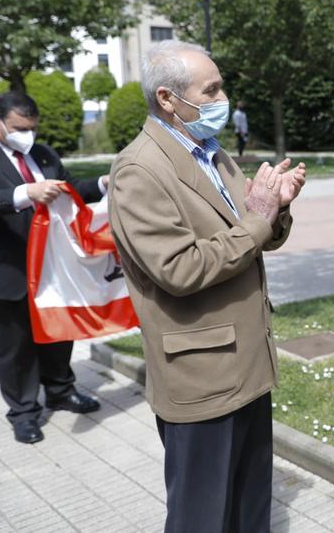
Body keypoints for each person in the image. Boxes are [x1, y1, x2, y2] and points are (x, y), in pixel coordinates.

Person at [108, 40, 306, 533]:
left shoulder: (212, 155)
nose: (223, 99)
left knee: (249, 507)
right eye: (211, 89)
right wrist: (259, 221)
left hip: (248, 366)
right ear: (168, 99)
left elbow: (252, 235)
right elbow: (179, 270)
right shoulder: (139, 170)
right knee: (202, 516)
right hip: (200, 378)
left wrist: (275, 208)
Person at [0, 91, 107, 444]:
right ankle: (23, 412)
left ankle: (60, 391)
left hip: (53, 265)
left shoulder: (43, 153)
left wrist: (99, 184)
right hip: (8, 269)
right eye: (20, 128)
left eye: (33, 128)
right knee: (16, 344)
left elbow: (68, 190)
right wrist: (26, 192)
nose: (29, 135)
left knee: (58, 333)